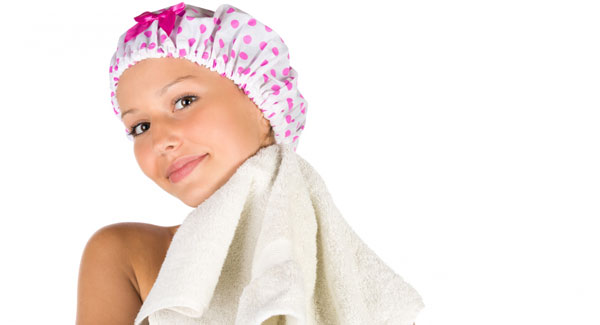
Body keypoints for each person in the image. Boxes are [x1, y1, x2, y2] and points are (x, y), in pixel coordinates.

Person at [76, 3, 419, 324]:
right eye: (140, 127)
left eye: (184, 101)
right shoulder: (127, 256)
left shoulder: (351, 280)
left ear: (261, 108)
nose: (160, 140)